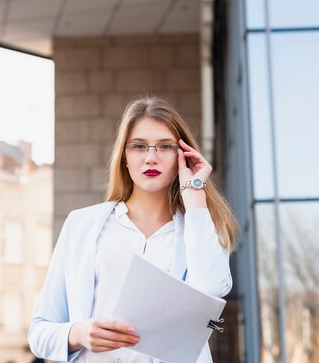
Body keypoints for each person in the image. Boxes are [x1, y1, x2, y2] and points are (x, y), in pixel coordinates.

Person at [28, 96, 238, 363]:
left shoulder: (202, 229)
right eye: (139, 146)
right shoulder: (81, 225)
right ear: (124, 157)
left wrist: (194, 194)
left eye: (164, 146)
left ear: (182, 156)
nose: (151, 158)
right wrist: (78, 333)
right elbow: (39, 332)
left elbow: (211, 290)